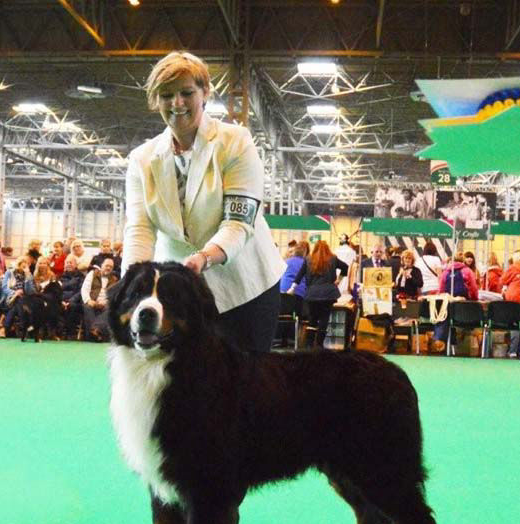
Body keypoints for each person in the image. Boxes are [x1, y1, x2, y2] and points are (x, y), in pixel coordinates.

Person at [122, 50, 285, 353]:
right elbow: (139, 230)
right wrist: (131, 286)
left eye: (187, 93)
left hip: (247, 286)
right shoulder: (141, 160)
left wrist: (204, 258)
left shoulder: (236, 141)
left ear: (205, 92)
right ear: (156, 100)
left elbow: (238, 222)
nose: (177, 103)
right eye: (166, 95)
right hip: (180, 297)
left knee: (247, 377)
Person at [288, 240, 347, 348]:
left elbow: (299, 275)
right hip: (328, 294)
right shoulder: (333, 258)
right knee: (324, 318)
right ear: (328, 249)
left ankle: (309, 344)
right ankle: (320, 344)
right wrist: (339, 279)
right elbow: (345, 267)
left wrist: (292, 288)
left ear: (314, 249)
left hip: (312, 294)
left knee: (312, 319)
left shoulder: (308, 259)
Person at [430, 252, 479, 352]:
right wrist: (475, 299)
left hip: (448, 305)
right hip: (464, 308)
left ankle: (441, 339)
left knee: (445, 317)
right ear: (463, 261)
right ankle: (454, 342)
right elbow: (473, 289)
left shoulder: (445, 272)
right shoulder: (467, 271)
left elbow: (441, 290)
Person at [81, 257, 118, 341]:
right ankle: (97, 333)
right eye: (107, 265)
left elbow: (114, 296)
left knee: (111, 309)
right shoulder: (92, 274)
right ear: (101, 265)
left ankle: (94, 331)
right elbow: (84, 289)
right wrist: (88, 300)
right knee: (87, 307)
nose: (108, 268)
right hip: (92, 300)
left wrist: (106, 302)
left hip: (105, 304)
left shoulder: (114, 279)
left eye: (111, 267)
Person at [0, 256, 31, 338]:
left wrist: (28, 277)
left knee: (17, 305)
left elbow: (29, 291)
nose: (24, 268)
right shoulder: (9, 273)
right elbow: (4, 288)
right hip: (10, 298)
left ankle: (4, 329)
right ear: (18, 265)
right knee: (18, 302)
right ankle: (24, 328)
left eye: (26, 266)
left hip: (23, 299)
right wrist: (15, 292)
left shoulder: (28, 275)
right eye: (23, 266)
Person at [59, 254, 85, 339]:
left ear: (76, 264)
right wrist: (61, 301)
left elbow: (81, 291)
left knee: (72, 306)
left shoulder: (81, 276)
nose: (69, 264)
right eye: (67, 263)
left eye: (71, 262)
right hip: (62, 301)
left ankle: (70, 332)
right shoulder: (60, 276)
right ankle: (59, 331)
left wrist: (71, 301)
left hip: (75, 301)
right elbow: (57, 291)